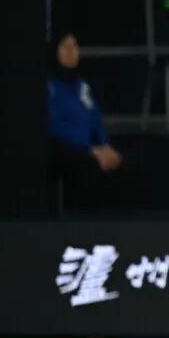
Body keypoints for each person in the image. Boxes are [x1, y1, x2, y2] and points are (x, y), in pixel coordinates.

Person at [47, 32, 125, 210]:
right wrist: (90, 149)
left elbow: (94, 116)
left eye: (74, 46)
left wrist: (104, 145)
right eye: (65, 47)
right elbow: (54, 126)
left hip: (90, 149)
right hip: (64, 150)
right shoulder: (49, 86)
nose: (70, 51)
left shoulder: (82, 85)